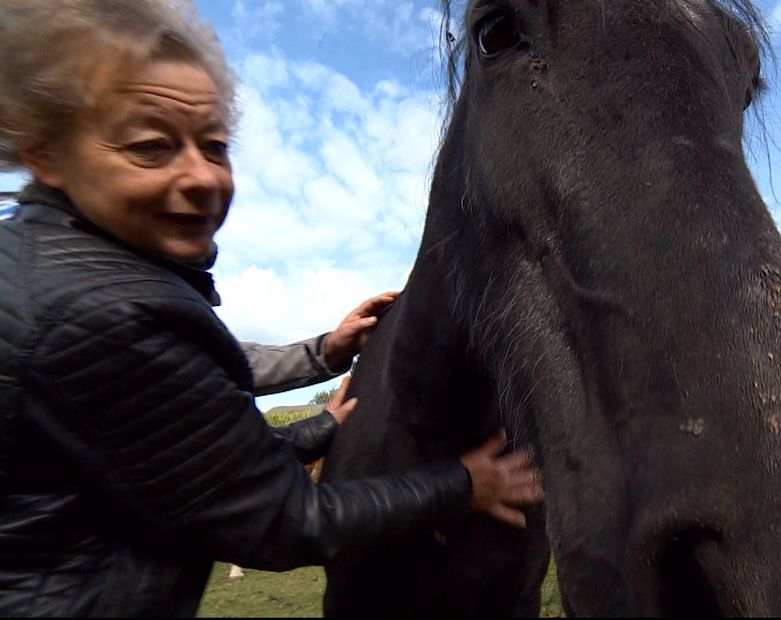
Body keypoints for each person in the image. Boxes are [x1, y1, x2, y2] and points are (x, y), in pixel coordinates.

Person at [0, 0, 543, 616]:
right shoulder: (102, 310)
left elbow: (187, 455)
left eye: (214, 146)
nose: (203, 177)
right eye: (151, 147)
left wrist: (322, 395)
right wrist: (464, 484)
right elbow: (287, 520)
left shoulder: (52, 262)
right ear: (44, 152)